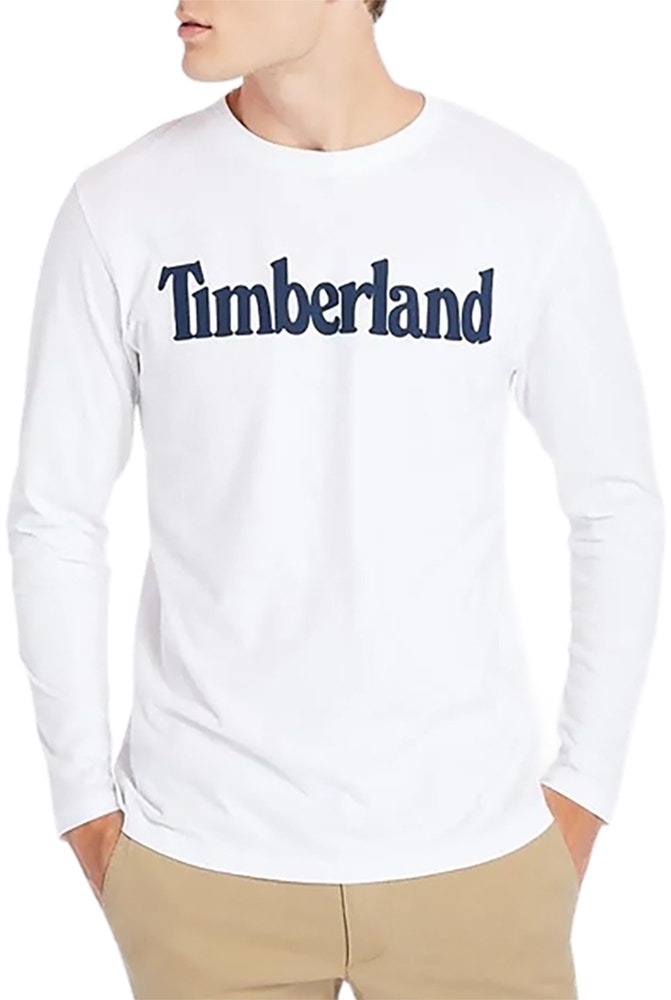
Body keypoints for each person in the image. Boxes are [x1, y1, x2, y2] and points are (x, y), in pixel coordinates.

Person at [5, 1, 664, 998]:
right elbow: (54, 514)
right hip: (200, 866)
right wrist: (82, 806)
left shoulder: (523, 200)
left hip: (477, 859)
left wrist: (584, 789)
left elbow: (613, 502)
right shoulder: (122, 205)